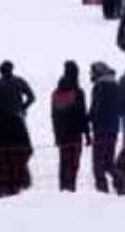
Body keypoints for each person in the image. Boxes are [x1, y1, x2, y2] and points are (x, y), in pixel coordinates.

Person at [51, 60, 91, 192]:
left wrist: (56, 135)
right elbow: (82, 115)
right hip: (75, 134)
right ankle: (71, 188)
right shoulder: (78, 92)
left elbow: (54, 115)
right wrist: (87, 135)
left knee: (63, 162)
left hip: (61, 134)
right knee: (74, 163)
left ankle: (62, 188)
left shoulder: (56, 92)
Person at [88, 61, 120, 193]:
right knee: (109, 163)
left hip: (101, 129)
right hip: (113, 128)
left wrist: (88, 118)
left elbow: (96, 107)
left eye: (92, 72)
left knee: (98, 165)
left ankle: (103, 193)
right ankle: (122, 183)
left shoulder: (99, 87)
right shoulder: (115, 85)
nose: (91, 75)